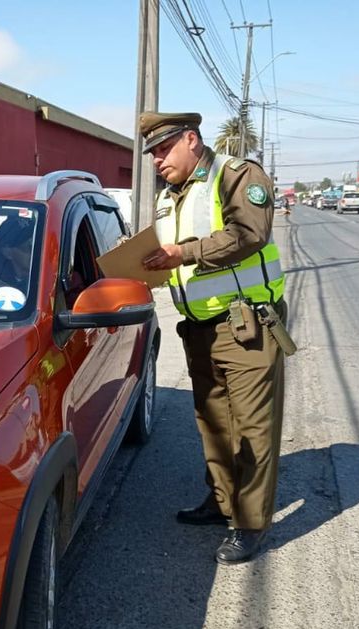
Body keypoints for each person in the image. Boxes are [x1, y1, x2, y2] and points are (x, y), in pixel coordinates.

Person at [139, 112, 288, 565]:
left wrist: (183, 252)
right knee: (214, 422)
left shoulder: (237, 175)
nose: (157, 160)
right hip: (198, 328)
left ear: (191, 140)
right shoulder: (169, 198)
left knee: (252, 428)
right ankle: (222, 501)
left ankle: (249, 523)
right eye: (152, 154)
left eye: (164, 149)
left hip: (245, 326)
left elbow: (250, 233)